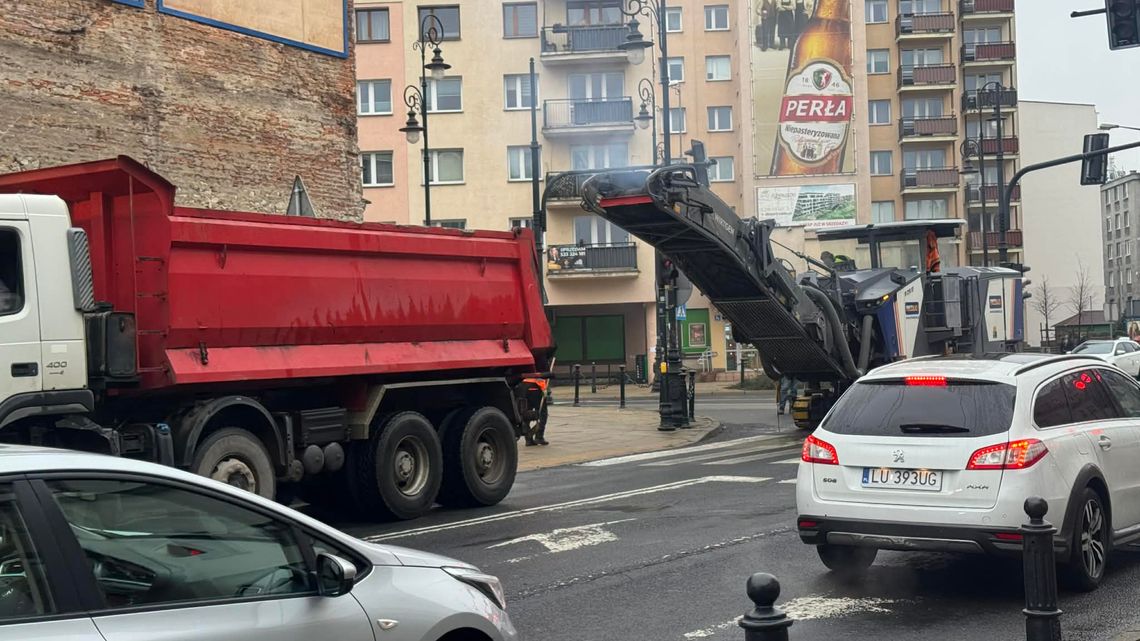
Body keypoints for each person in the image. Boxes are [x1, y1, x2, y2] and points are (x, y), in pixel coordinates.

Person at [523, 377, 550, 446]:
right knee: (543, 413)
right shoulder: (540, 366)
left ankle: (528, 439)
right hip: (536, 387)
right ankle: (539, 436)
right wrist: (544, 389)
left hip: (524, 387)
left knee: (526, 414)